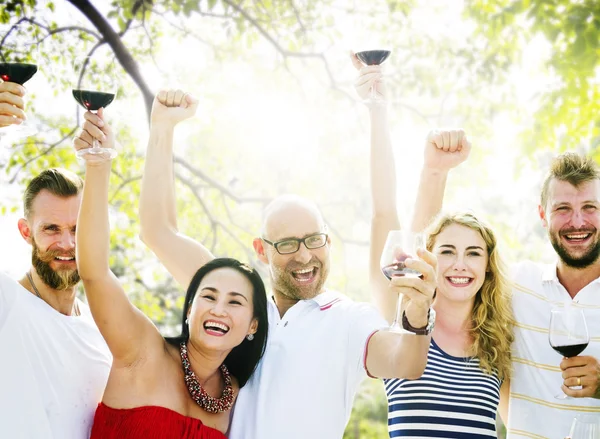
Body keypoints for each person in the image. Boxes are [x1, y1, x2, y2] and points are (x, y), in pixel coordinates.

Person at [138, 89, 438, 439]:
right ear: (262, 251)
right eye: (287, 244)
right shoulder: (235, 304)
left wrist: (418, 315)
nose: (304, 255)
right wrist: (162, 128)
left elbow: (407, 362)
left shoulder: (348, 318)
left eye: (314, 240)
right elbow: (158, 232)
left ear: (328, 241)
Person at [74, 103, 269, 439]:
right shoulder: (142, 351)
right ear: (190, 308)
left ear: (253, 324)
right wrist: (98, 163)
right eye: (208, 296)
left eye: (235, 302)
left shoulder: (237, 395)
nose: (218, 309)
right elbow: (94, 272)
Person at [354, 54, 514, 438]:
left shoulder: (497, 342)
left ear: (487, 268)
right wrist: (378, 108)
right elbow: (383, 211)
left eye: (474, 253)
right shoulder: (403, 318)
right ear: (428, 261)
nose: (461, 264)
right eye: (446, 252)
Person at [401, 128, 600, 433]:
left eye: (590, 208)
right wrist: (435, 172)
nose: (577, 221)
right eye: (563, 208)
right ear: (543, 215)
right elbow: (424, 262)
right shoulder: (516, 285)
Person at [0, 167, 112, 438]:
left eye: (77, 229)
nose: (66, 243)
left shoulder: (103, 330)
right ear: (26, 231)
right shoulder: (7, 303)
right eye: (51, 228)